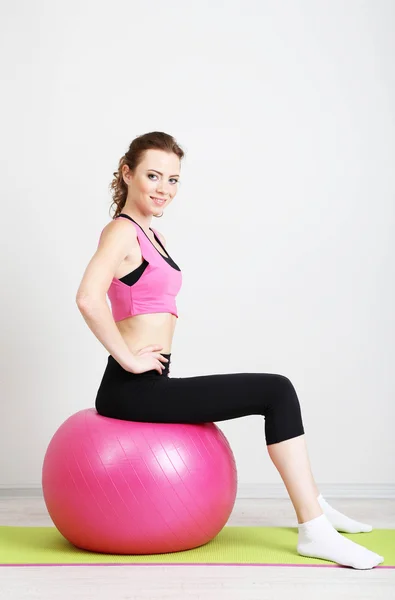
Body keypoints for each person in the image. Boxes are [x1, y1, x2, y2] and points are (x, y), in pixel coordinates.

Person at [76, 131, 384, 569]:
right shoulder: (121, 232)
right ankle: (313, 528)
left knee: (276, 391)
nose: (164, 188)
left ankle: (317, 506)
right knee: (276, 391)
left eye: (174, 179)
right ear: (127, 174)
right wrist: (128, 360)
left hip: (149, 383)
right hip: (132, 389)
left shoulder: (151, 234)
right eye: (153, 175)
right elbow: (88, 297)